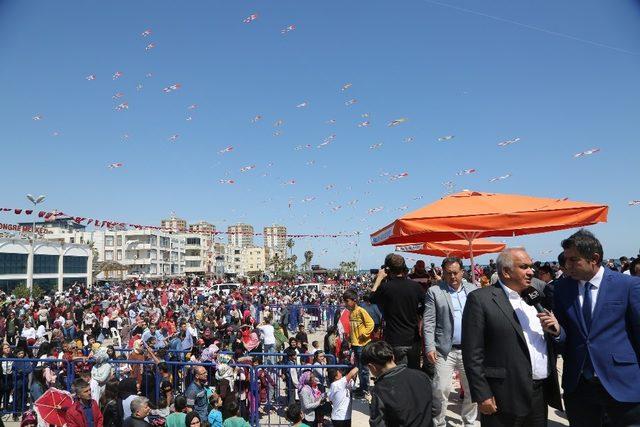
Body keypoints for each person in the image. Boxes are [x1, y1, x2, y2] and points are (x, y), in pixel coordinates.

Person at [462, 247, 562, 426]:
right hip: (503, 395)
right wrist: (482, 393)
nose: (531, 271)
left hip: (539, 393)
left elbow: (551, 339)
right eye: (524, 267)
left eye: (531, 266)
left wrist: (556, 332)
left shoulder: (536, 296)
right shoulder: (480, 299)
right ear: (506, 272)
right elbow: (472, 353)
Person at [549, 229, 640, 426]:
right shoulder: (562, 288)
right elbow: (567, 336)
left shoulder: (628, 285)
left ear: (594, 258)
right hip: (579, 386)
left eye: (574, 260)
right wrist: (557, 332)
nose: (567, 265)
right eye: (566, 260)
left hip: (622, 384)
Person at [423, 257, 478, 427]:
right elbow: (429, 321)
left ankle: (469, 421)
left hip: (470, 349)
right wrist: (429, 346)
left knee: (472, 389)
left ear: (462, 272)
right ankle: (439, 422)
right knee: (440, 389)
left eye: (455, 272)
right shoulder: (435, 291)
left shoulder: (473, 289)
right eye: (448, 273)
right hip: (444, 349)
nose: (452, 276)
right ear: (443, 274)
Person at [371, 253, 425, 369]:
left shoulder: (385, 288)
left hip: (395, 339)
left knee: (399, 374)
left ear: (387, 269)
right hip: (414, 338)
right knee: (414, 372)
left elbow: (371, 298)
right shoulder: (416, 287)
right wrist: (417, 313)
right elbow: (427, 307)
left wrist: (379, 279)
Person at [362, 341, 432, 427]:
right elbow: (436, 407)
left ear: (372, 367)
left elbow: (377, 424)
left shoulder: (379, 390)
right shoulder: (422, 376)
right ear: (393, 357)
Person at [342, 289, 374, 398]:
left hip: (362, 344)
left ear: (354, 300)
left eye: (347, 301)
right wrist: (350, 340)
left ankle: (365, 390)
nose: (345, 304)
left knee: (364, 368)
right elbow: (352, 329)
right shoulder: (351, 313)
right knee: (358, 367)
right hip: (355, 344)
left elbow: (370, 323)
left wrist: (364, 334)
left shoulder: (361, 311)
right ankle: (362, 388)